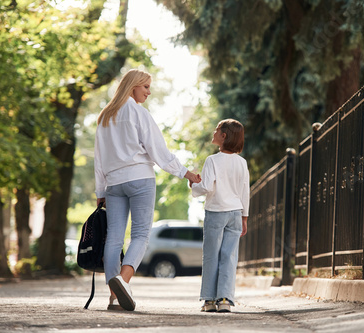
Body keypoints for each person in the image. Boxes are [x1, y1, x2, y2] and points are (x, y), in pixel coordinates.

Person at [94, 69, 201, 311]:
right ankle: (123, 280)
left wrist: (100, 191)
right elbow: (159, 152)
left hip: (113, 184)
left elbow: (98, 159)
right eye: (145, 87)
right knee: (141, 235)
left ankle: (113, 295)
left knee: (114, 238)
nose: (149, 92)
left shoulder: (104, 116)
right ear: (133, 87)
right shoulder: (138, 113)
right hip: (140, 178)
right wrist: (186, 173)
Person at [190, 119, 250, 313]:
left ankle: (208, 300)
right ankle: (224, 299)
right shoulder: (242, 163)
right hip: (235, 213)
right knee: (229, 257)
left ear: (223, 136)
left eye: (216, 130)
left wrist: (193, 185)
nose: (213, 133)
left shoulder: (212, 160)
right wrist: (244, 217)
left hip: (216, 213)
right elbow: (244, 191)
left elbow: (206, 187)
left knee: (211, 256)